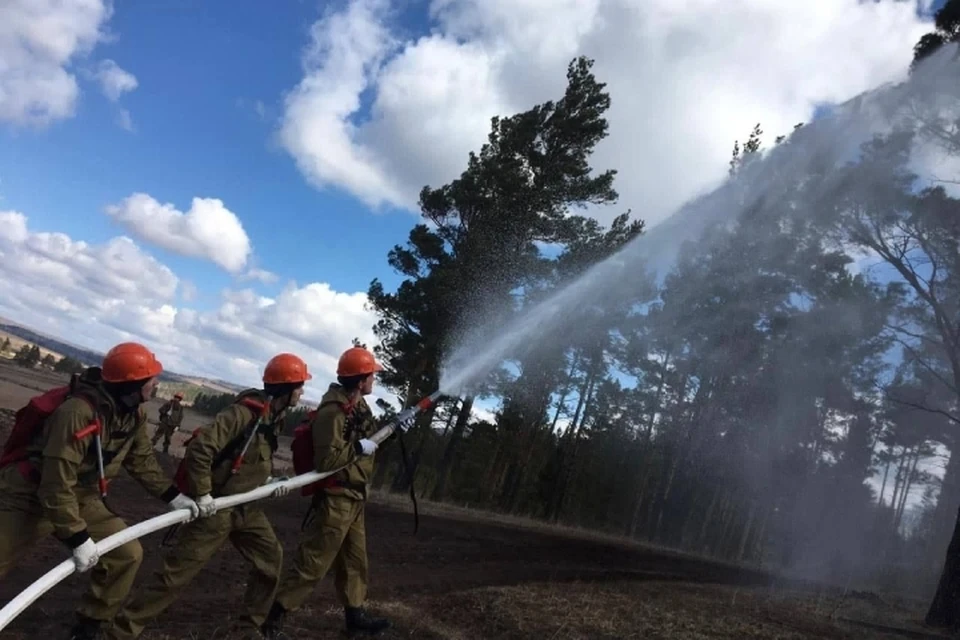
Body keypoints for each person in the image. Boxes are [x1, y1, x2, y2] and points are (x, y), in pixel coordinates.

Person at [104, 353, 312, 640]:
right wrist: (202, 494)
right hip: (216, 510)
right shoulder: (242, 414)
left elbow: (247, 459)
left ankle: (248, 628)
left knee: (270, 561)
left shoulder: (272, 417)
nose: (302, 393)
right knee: (175, 575)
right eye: (299, 386)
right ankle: (122, 632)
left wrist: (267, 480)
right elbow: (201, 450)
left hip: (246, 508)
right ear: (286, 389)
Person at [0, 342, 200, 640]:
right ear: (133, 384)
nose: (156, 385)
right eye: (151, 379)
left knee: (127, 555)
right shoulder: (77, 413)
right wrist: (77, 537)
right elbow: (55, 483)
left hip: (80, 497)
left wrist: (173, 496)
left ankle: (88, 627)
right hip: (29, 495)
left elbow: (140, 459)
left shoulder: (133, 415)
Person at [261, 346, 393, 638]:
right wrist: (359, 448)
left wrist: (393, 431)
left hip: (355, 496)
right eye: (372, 376)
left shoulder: (357, 405)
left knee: (355, 562)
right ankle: (274, 618)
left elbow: (368, 440)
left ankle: (355, 617)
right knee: (314, 562)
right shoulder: (333, 411)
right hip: (336, 498)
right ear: (361, 380)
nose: (375, 380)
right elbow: (327, 461)